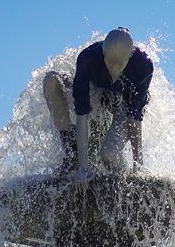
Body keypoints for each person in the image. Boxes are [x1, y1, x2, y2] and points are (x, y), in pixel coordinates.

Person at [43, 27, 153, 178]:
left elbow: (134, 117)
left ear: (130, 55)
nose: (113, 69)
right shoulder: (88, 58)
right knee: (51, 81)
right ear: (102, 51)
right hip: (96, 95)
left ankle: (121, 177)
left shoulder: (143, 66)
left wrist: (138, 164)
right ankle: (71, 149)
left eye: (119, 64)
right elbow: (81, 110)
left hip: (122, 106)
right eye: (110, 63)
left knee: (108, 154)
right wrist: (83, 168)